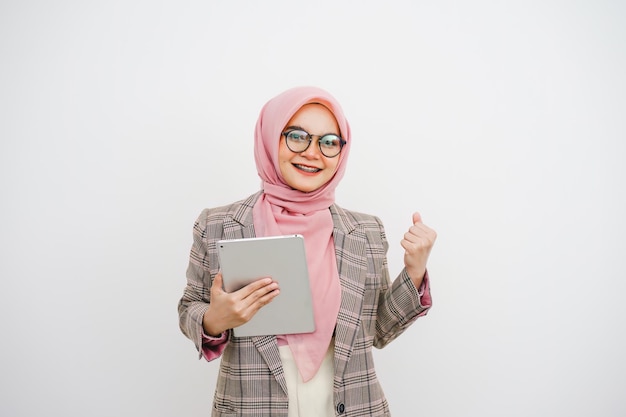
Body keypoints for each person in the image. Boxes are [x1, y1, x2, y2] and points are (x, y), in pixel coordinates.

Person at [178, 86, 436, 417]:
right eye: (297, 136)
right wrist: (215, 320)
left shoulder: (366, 232)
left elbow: (380, 330)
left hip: (350, 405)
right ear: (271, 138)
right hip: (250, 406)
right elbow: (189, 309)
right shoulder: (217, 224)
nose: (313, 153)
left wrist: (414, 271)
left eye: (329, 142)